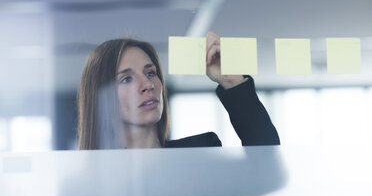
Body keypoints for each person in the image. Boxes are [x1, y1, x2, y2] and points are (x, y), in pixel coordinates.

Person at [77, 32, 280, 149]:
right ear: (101, 98)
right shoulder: (88, 185)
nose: (148, 85)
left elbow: (267, 169)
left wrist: (232, 81)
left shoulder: (200, 153)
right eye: (127, 79)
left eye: (150, 73)